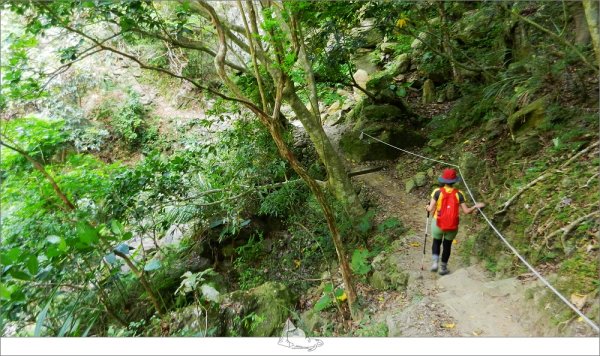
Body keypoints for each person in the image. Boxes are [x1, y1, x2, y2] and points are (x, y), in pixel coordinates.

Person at [426, 168, 485, 275]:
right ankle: (443, 268)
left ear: (443, 180)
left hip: (437, 223)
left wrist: (427, 207)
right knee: (447, 245)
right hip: (452, 225)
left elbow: (430, 209)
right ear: (454, 181)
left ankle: (435, 263)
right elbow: (466, 211)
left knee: (436, 242)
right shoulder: (459, 194)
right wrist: (475, 206)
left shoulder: (437, 192)